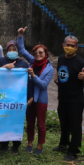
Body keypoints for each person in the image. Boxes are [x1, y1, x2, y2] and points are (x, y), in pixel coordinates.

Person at [53, 35, 84, 161]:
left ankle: (73, 151)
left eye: (72, 45)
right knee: (64, 123)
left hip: (76, 100)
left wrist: (83, 77)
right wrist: (58, 80)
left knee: (75, 126)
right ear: (63, 45)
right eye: (67, 45)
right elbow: (60, 73)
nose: (69, 47)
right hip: (63, 97)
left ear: (76, 47)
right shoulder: (60, 59)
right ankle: (63, 144)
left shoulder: (81, 62)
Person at [17, 26, 54, 155]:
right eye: (36, 53)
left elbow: (43, 85)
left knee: (41, 124)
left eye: (40, 53)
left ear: (45, 54)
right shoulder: (32, 62)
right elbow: (21, 49)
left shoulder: (50, 69)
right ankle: (30, 143)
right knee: (30, 122)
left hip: (41, 99)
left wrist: (33, 76)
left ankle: (39, 146)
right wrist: (21, 36)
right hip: (30, 97)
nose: (37, 55)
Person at [0, 40, 29, 154]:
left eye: (14, 50)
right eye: (9, 50)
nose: (11, 52)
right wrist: (5, 67)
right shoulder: (1, 61)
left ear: (17, 51)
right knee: (3, 120)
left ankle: (16, 146)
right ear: (6, 51)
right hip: (3, 97)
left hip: (18, 98)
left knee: (16, 121)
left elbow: (27, 81)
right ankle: (4, 145)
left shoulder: (23, 64)